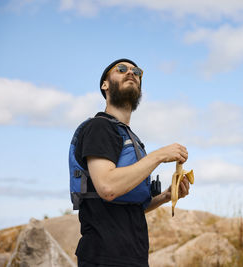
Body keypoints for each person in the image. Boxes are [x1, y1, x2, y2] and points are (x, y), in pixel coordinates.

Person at [69, 58, 191, 267]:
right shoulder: (99, 128)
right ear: (104, 85)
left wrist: (165, 196)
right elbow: (107, 187)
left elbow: (129, 206)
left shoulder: (129, 137)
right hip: (103, 257)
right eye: (122, 69)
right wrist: (159, 155)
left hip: (133, 257)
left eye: (137, 72)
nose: (131, 73)